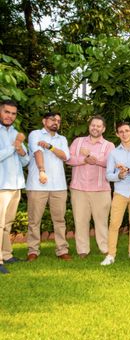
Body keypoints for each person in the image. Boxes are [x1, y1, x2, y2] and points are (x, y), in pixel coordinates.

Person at [26, 111, 72, 261]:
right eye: (53, 120)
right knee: (34, 220)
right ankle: (33, 250)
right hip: (37, 184)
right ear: (44, 121)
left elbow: (66, 156)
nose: (56, 123)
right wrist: (41, 171)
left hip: (59, 185)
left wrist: (50, 146)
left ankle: (62, 250)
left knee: (59, 220)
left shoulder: (62, 139)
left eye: (58, 121)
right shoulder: (35, 134)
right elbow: (37, 151)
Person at [66, 116, 115, 257]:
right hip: (79, 188)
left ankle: (105, 248)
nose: (95, 128)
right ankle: (82, 250)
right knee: (80, 220)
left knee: (102, 221)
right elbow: (69, 159)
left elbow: (109, 163)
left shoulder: (109, 145)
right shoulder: (78, 141)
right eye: (93, 125)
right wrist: (84, 160)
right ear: (89, 126)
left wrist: (94, 159)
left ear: (104, 129)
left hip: (101, 189)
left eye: (99, 126)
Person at [101, 121, 130, 266]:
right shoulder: (113, 153)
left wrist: (128, 170)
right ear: (117, 134)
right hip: (120, 192)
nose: (124, 133)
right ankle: (110, 255)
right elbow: (108, 175)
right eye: (121, 131)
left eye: (127, 130)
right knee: (114, 224)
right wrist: (119, 176)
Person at [0, 100, 29, 273]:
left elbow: (26, 161)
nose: (10, 116)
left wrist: (21, 151)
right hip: (1, 185)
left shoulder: (16, 133)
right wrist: (13, 147)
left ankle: (7, 254)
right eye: (6, 112)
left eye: (13, 113)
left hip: (15, 184)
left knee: (8, 223)